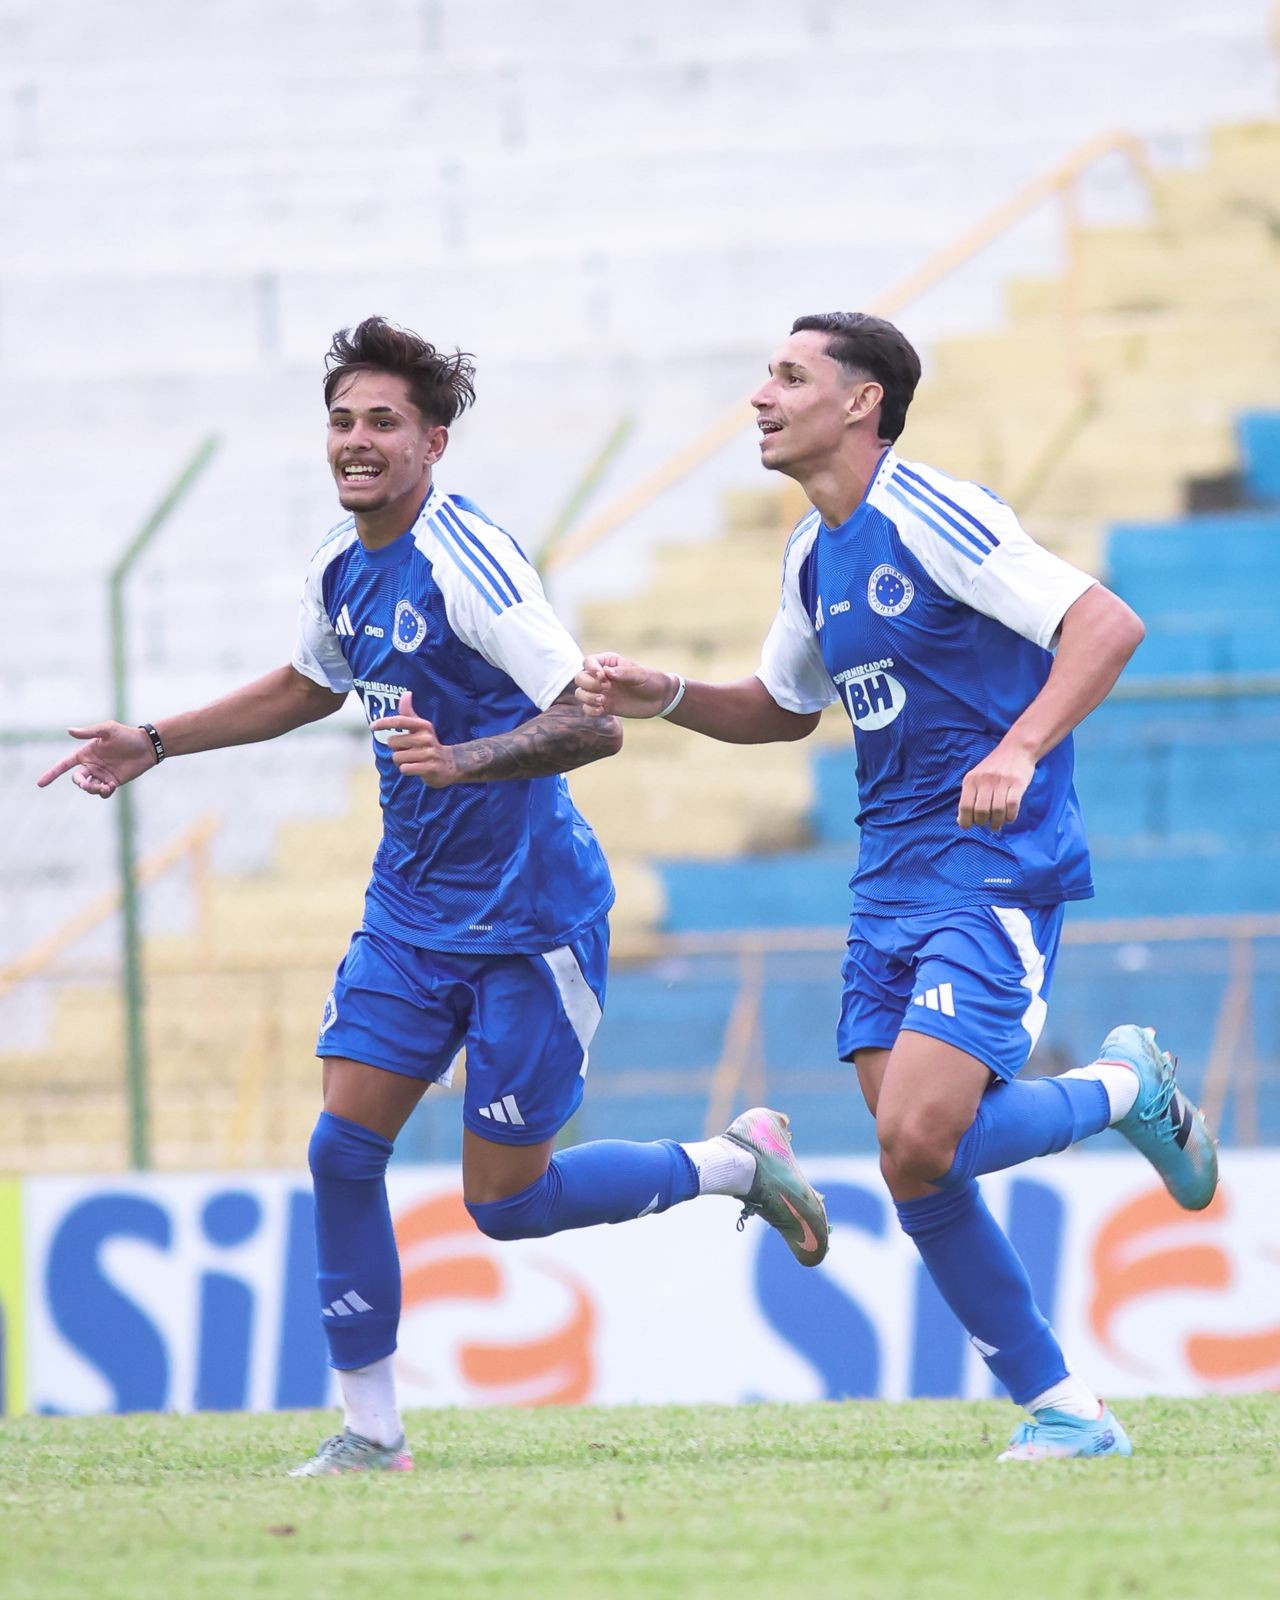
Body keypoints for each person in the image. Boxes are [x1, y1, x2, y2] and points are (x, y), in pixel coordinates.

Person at [37, 315, 829, 1475]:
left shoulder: (470, 560)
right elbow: (311, 685)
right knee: (339, 1152)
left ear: (433, 442)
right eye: (343, 421)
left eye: (383, 423)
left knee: (503, 1204)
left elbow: (590, 720)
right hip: (409, 915)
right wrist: (158, 739)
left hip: (529, 923)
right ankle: (371, 1432)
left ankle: (730, 1163)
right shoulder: (336, 562)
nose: (356, 441)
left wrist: (461, 758)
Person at [576, 310, 1219, 1462]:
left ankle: (1124, 1086)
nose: (759, 397)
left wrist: (1016, 746)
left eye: (786, 376)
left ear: (860, 401)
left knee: (920, 1140)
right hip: (886, 883)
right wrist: (664, 690)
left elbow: (1103, 623)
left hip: (991, 866)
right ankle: (1063, 1409)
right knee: (911, 1151)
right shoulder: (811, 552)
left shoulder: (933, 512)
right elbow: (782, 706)